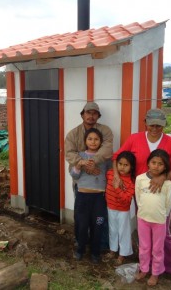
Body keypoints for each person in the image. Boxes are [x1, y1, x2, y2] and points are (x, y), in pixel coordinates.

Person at [112, 108, 171, 286]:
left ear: (163, 126)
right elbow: (117, 157)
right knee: (144, 232)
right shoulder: (135, 138)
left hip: (161, 196)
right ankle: (147, 266)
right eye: (151, 124)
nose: (155, 128)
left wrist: (162, 177)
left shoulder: (170, 143)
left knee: (164, 233)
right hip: (142, 194)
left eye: (159, 126)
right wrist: (115, 175)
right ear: (145, 123)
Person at [65, 102, 113, 249]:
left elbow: (107, 149)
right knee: (81, 216)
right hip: (80, 181)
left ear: (98, 116)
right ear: (82, 114)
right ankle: (80, 242)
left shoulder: (105, 131)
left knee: (100, 216)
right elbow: (69, 154)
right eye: (88, 113)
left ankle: (100, 245)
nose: (91, 116)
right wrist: (85, 164)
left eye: (94, 113)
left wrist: (92, 163)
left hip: (99, 184)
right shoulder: (73, 134)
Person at [70, 128, 111, 263]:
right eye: (90, 139)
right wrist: (79, 165)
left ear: (100, 142)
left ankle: (95, 252)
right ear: (85, 141)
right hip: (82, 197)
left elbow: (110, 174)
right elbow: (74, 175)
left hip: (99, 198)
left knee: (97, 225)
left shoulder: (104, 158)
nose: (93, 142)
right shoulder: (80, 156)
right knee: (82, 225)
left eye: (96, 139)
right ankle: (80, 250)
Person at [135, 149, 171, 286]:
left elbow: (168, 204)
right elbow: (138, 196)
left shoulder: (168, 184)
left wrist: (162, 217)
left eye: (160, 164)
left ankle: (156, 273)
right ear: (148, 163)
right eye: (153, 162)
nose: (156, 166)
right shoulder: (140, 179)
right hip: (143, 219)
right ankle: (144, 269)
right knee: (144, 247)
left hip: (159, 222)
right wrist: (142, 211)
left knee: (157, 249)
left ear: (165, 167)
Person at [103, 151, 136, 265]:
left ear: (131, 167)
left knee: (123, 232)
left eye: (126, 165)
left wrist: (117, 189)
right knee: (112, 230)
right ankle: (113, 250)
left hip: (123, 210)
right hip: (110, 207)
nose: (122, 167)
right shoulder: (110, 174)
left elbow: (126, 199)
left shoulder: (131, 181)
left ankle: (122, 254)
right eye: (120, 164)